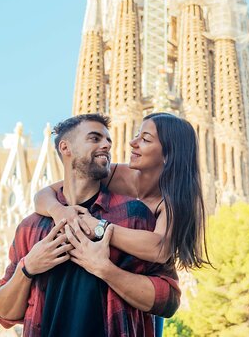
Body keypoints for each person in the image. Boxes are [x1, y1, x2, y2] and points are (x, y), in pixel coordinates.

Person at [0, 113, 180, 337]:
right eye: (95, 138)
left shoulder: (134, 216)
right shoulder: (31, 226)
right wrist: (28, 267)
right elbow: (4, 313)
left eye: (108, 140)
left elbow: (168, 300)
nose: (107, 145)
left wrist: (105, 269)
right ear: (65, 148)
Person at [33, 112, 209, 336]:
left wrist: (100, 227)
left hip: (141, 288)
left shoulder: (175, 198)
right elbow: (45, 193)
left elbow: (160, 249)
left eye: (145, 139)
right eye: (137, 135)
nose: (132, 143)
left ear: (168, 154)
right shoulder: (117, 174)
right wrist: (59, 211)